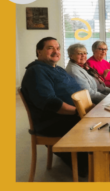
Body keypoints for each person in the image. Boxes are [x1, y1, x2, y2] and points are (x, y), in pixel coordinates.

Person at [21, 37, 88, 176]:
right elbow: (50, 102)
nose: (56, 51)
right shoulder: (36, 71)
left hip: (69, 115)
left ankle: (94, 157)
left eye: (57, 48)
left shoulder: (57, 69)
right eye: (50, 48)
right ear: (39, 51)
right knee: (96, 126)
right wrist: (79, 112)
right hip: (53, 121)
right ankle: (87, 163)